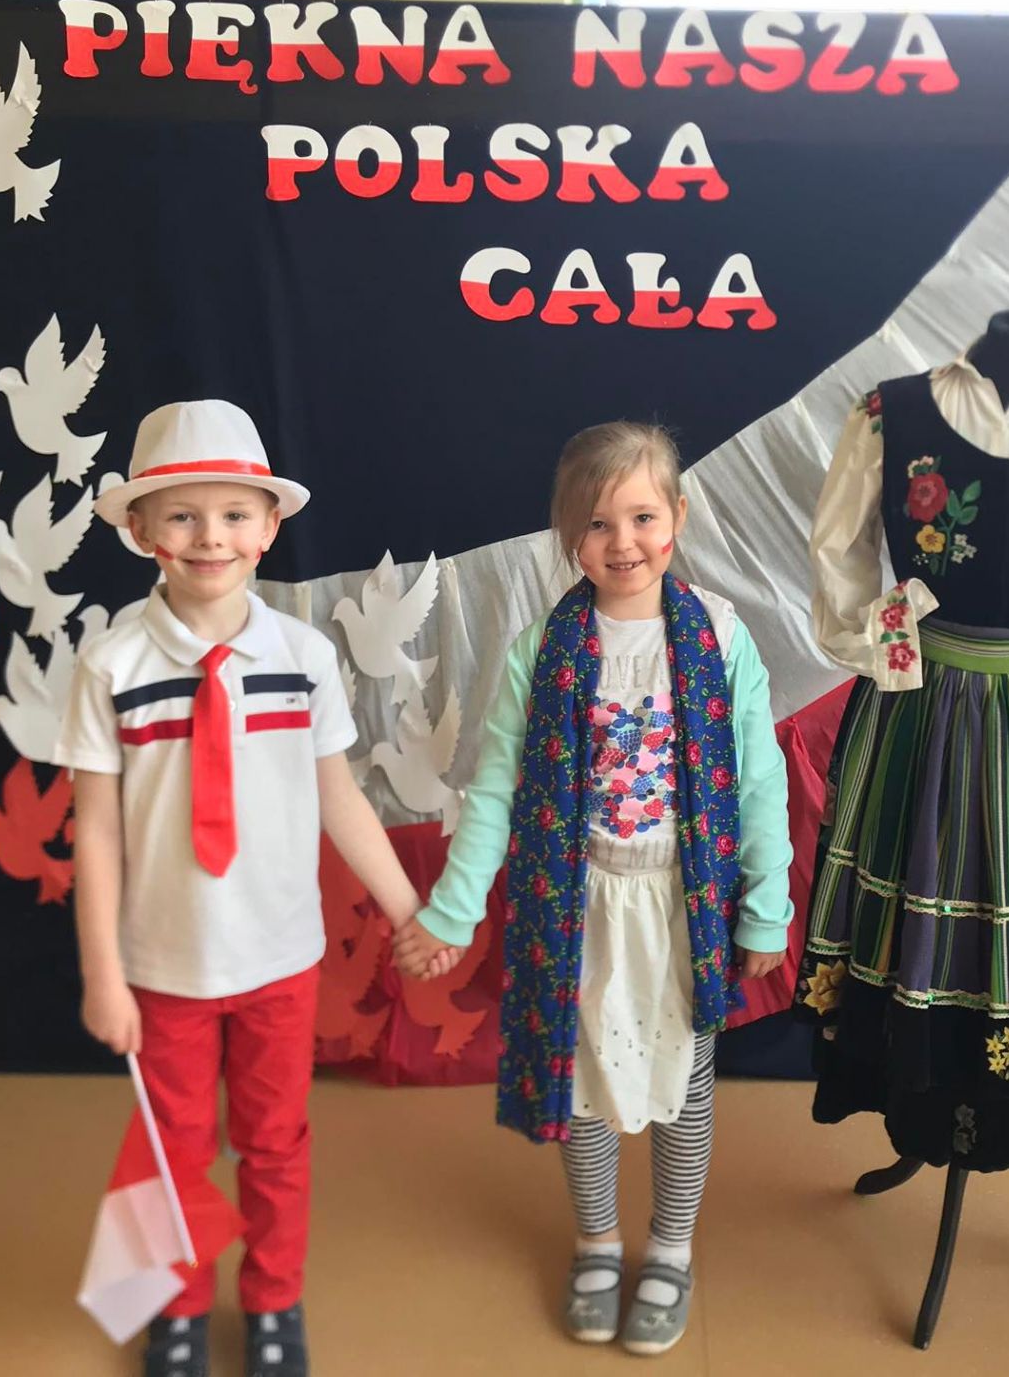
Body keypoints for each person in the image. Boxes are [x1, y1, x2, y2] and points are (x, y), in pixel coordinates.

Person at [57, 398, 452, 1377]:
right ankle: (176, 1305)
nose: (210, 536)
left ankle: (275, 1296)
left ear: (269, 526)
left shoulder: (302, 657)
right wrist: (103, 974)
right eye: (182, 515)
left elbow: (340, 799)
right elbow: (95, 828)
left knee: (276, 1139)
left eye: (234, 513)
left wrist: (411, 910)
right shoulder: (111, 664)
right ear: (141, 529)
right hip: (164, 965)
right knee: (172, 1144)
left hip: (279, 956)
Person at [394, 420, 793, 1356]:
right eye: (598, 522)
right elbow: (496, 788)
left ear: (678, 515)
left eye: (643, 516)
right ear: (568, 534)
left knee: (686, 1083)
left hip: (683, 906)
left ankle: (672, 1247)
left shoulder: (719, 637)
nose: (624, 542)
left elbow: (759, 779)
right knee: (580, 1080)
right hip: (579, 907)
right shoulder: (544, 648)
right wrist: (453, 909)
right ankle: (598, 1241)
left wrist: (765, 906)